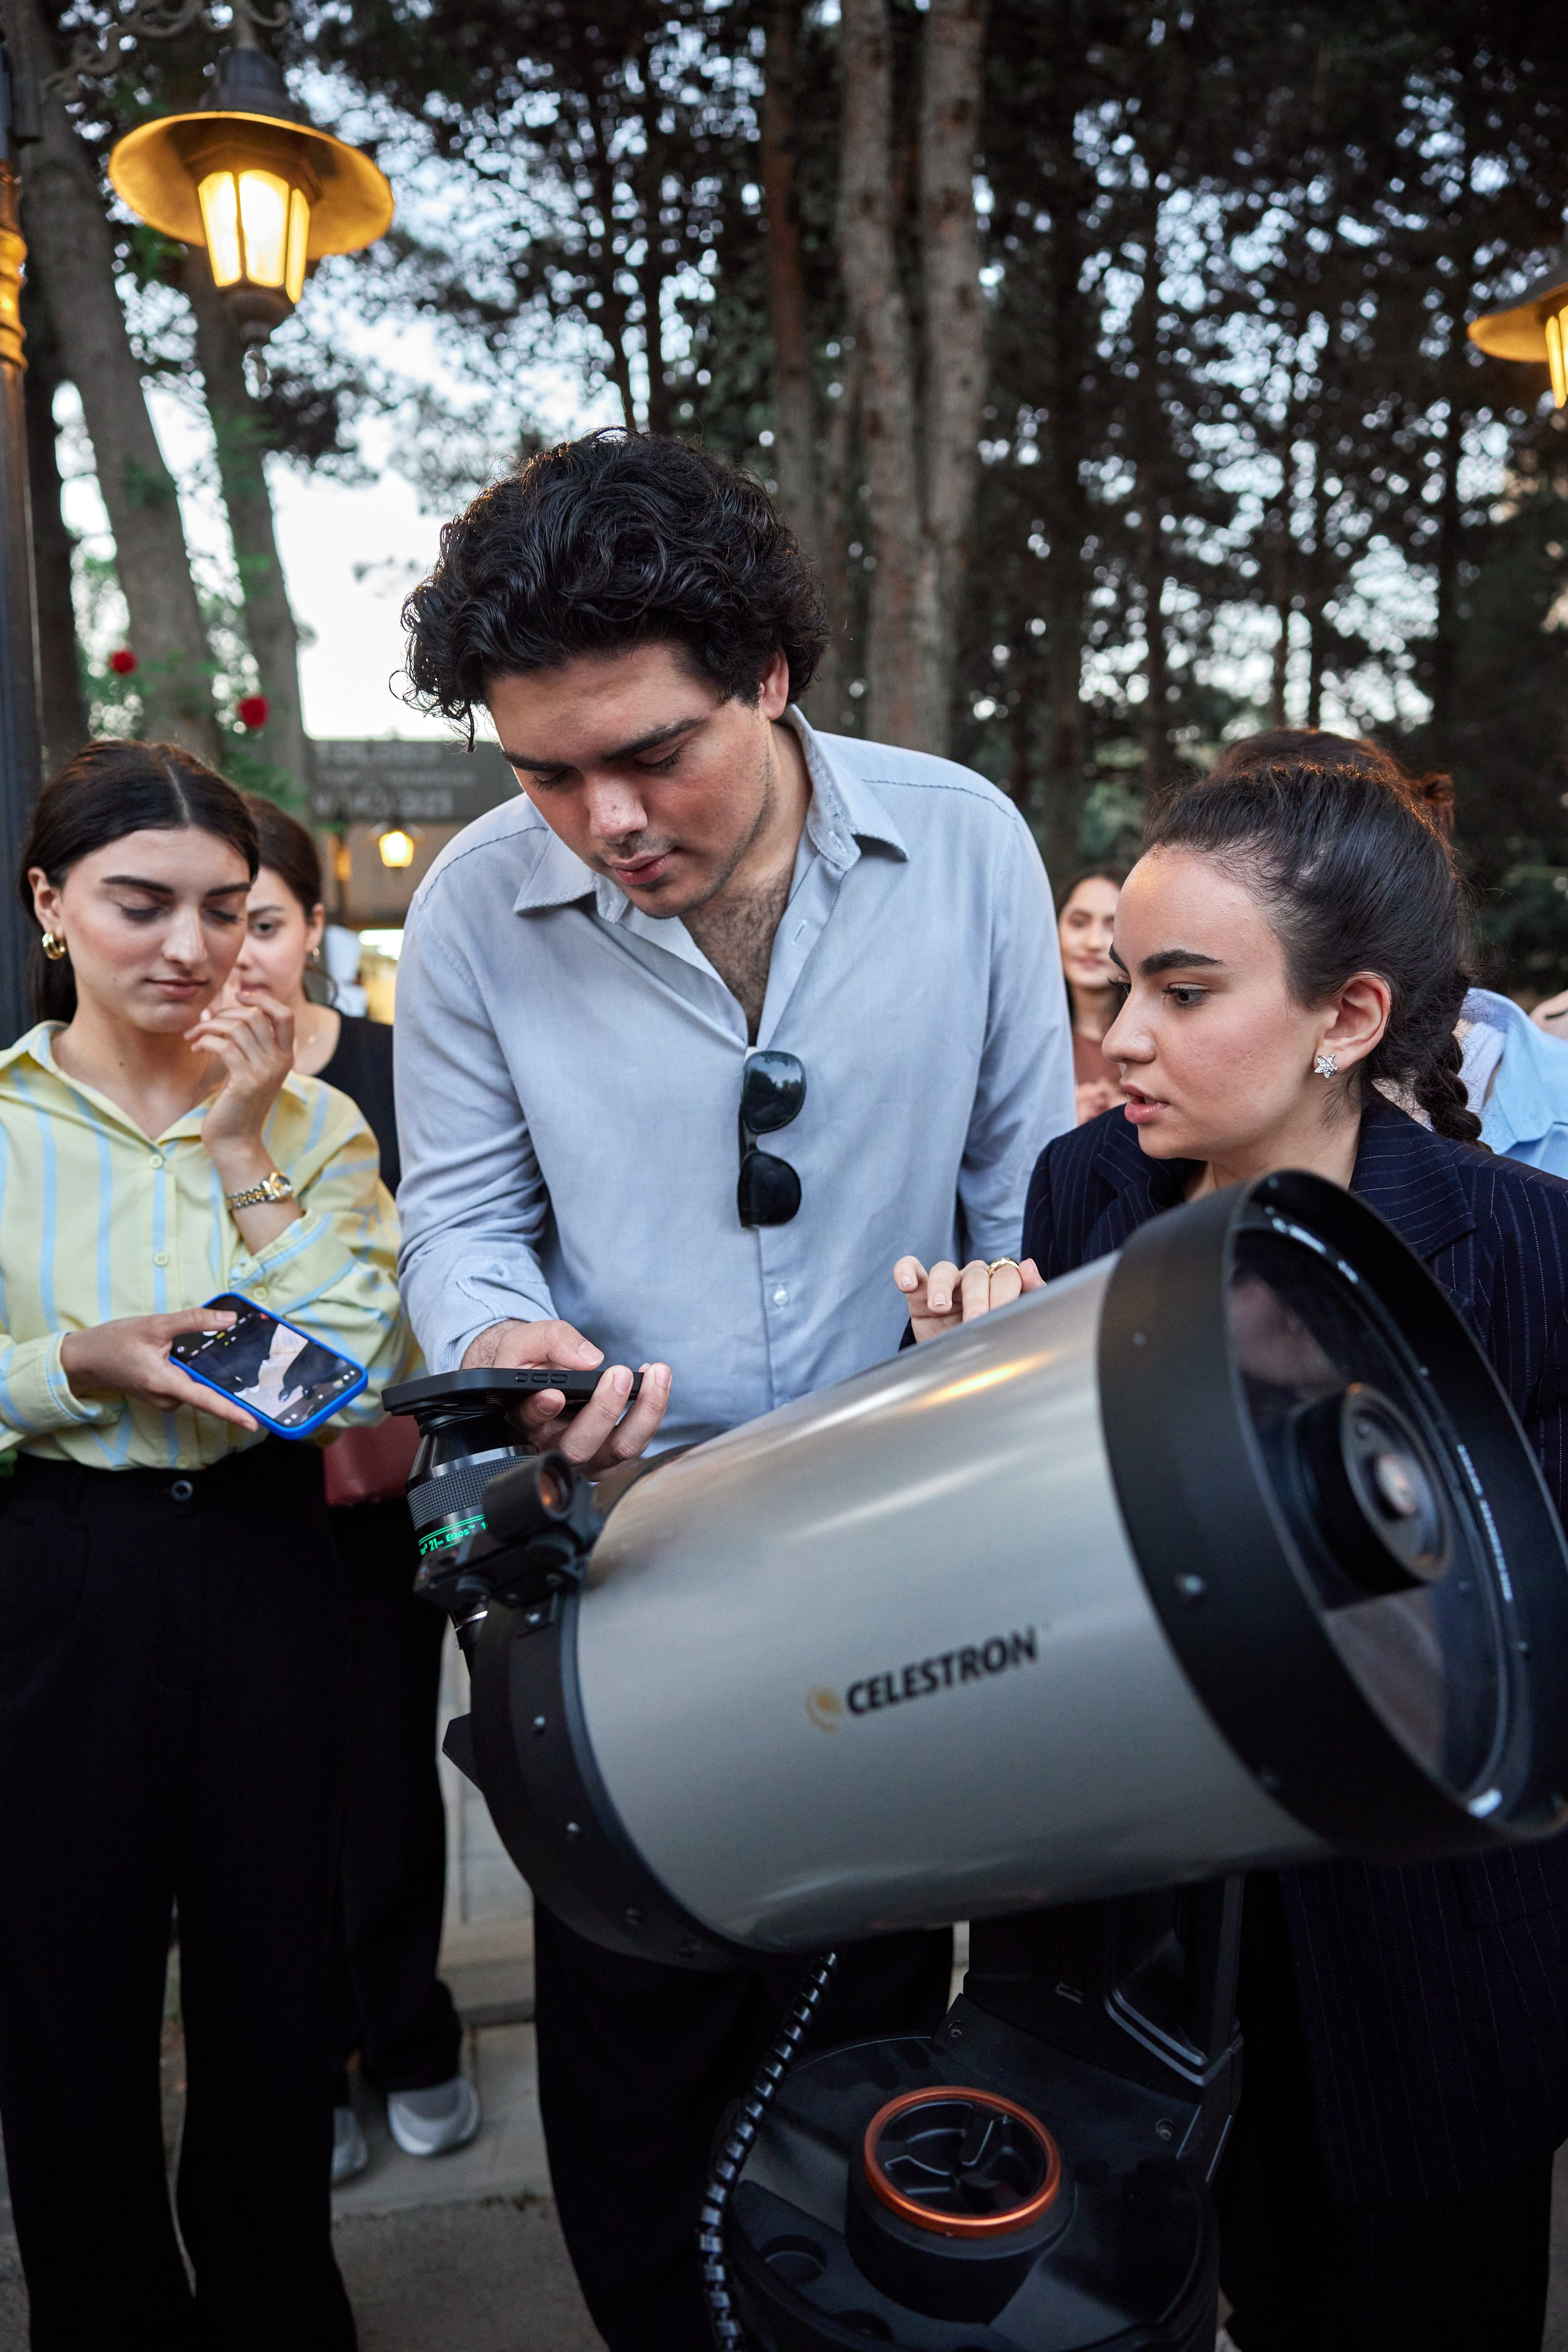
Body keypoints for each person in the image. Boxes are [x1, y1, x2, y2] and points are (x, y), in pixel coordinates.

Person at [392, 427, 1076, 2349]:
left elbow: (1035, 1180)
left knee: (869, 2016)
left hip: (910, 1544)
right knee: (626, 2044)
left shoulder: (962, 838)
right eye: (544, 772)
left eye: (650, 752)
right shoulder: (464, 908)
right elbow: (455, 1209)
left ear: (770, 674)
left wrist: (1007, 1302)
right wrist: (499, 1340)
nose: (601, 818)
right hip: (615, 1560)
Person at [898, 737, 1568, 2352]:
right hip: (1134, 1938)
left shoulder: (1523, 1246)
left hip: (1425, 1955)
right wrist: (973, 1413)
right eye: (1119, 985)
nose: (1121, 1038)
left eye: (1184, 993)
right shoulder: (1083, 1196)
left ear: (1347, 1019)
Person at [0, 741, 406, 2349]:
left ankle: (274, 2308)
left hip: (264, 1568)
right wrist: (70, 1366)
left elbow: (336, 1386)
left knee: (270, 1981)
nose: (189, 950)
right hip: (57, 1566)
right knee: (62, 1990)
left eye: (229, 914)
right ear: (49, 903)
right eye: (138, 903)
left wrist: (245, 1152)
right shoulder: (7, 1122)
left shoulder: (313, 1132)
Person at [230, 798, 474, 2183]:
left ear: (316, 926)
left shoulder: (391, 1068)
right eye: (215, 918)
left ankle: (413, 2030)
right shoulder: (163, 1088)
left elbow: (393, 1304)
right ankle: (301, 2051)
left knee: (387, 1780)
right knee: (262, 1798)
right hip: (228, 1495)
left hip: (376, 1487)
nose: (239, 951)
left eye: (263, 919)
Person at [1056, 865, 1127, 1122]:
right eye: (1079, 923)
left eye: (1112, 926)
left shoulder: (1159, 1042)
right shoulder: (1025, 1041)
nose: (1093, 942)